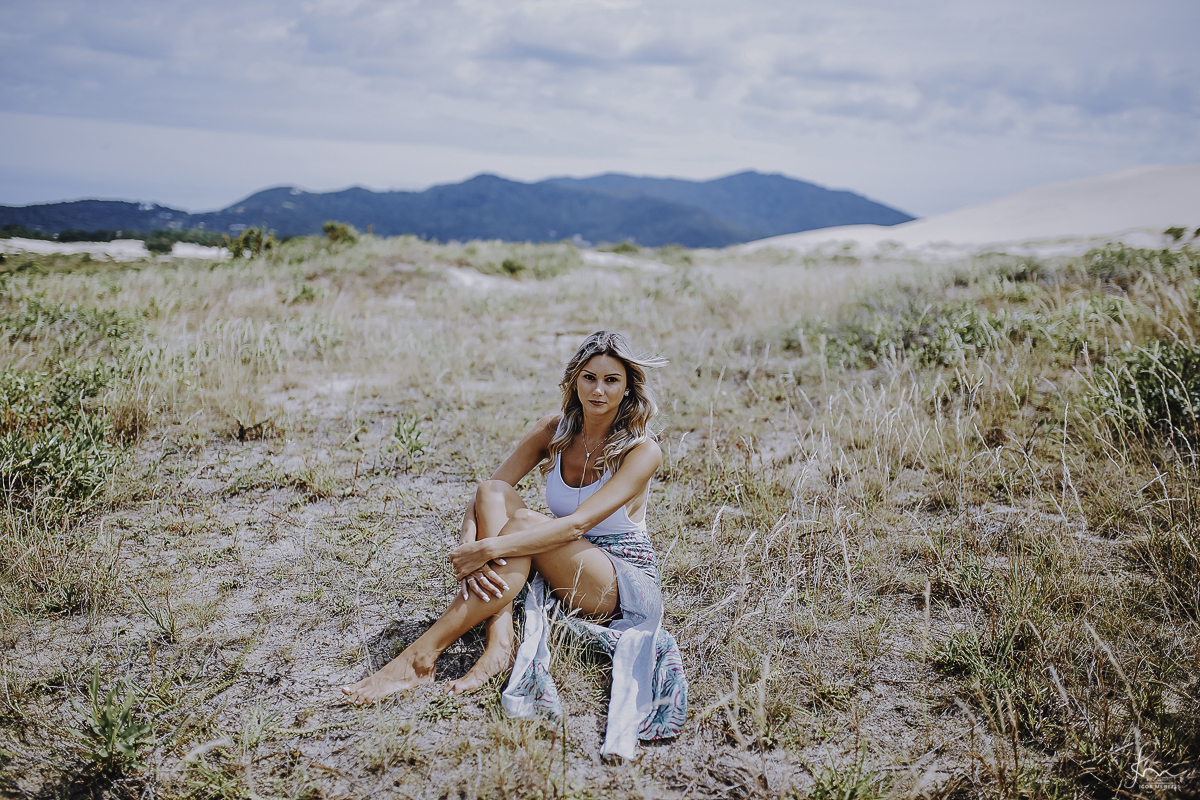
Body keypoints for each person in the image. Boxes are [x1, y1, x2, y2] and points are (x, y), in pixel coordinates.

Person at [341, 331, 687, 758]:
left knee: (522, 520)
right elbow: (490, 488)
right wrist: (468, 544)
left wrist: (486, 552)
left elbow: (576, 523)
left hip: (620, 583)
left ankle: (419, 659)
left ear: (628, 387)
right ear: (573, 381)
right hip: (564, 557)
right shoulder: (553, 431)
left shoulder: (642, 450)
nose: (598, 390)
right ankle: (498, 641)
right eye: (589, 377)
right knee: (493, 493)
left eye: (612, 380)